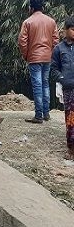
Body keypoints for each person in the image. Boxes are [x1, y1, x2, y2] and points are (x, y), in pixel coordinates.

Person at [18, 0, 59, 123]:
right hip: (47, 57)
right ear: (43, 8)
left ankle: (38, 115)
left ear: (31, 8)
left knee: (37, 86)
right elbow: (56, 40)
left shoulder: (28, 22)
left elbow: (22, 42)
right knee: (45, 84)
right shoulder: (51, 22)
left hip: (34, 57)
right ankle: (46, 113)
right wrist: (50, 53)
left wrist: (26, 55)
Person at [50, 16, 74, 159]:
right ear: (65, 30)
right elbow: (53, 69)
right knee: (70, 118)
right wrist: (62, 79)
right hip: (69, 88)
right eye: (72, 29)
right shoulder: (59, 49)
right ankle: (71, 148)